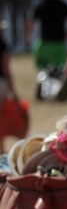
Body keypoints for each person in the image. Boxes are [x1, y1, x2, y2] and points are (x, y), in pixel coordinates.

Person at [27, 0, 67, 76]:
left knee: (43, 70)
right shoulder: (62, 5)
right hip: (59, 43)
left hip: (45, 42)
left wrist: (27, 37)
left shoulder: (41, 5)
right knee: (60, 70)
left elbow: (30, 22)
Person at [0, 23, 22, 153]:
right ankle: (2, 151)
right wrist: (13, 92)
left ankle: (2, 150)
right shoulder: (3, 46)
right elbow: (6, 69)